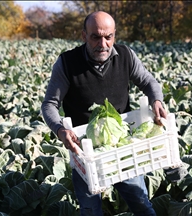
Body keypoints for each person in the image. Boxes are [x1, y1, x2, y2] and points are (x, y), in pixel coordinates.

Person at [41, 11, 167, 216]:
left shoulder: (126, 56)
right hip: (84, 151)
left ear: (114, 35)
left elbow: (148, 82)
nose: (103, 43)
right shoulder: (67, 63)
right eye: (95, 37)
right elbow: (49, 104)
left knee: (141, 203)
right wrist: (60, 130)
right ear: (83, 36)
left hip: (122, 147)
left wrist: (156, 100)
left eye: (108, 37)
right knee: (91, 210)